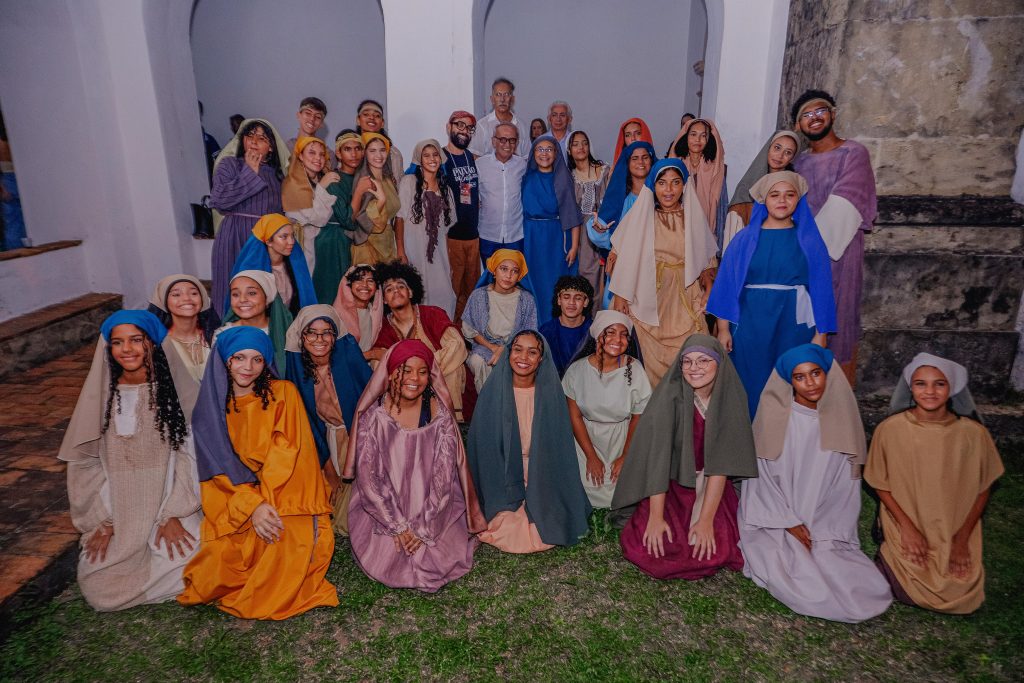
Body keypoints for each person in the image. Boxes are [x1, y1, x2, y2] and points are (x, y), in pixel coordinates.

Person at [179, 326, 337, 619]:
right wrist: (252, 506)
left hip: (285, 491)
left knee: (281, 543)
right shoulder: (209, 411)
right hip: (236, 496)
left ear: (266, 363)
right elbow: (217, 471)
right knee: (215, 568)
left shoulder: (284, 393)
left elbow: (289, 453)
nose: (247, 367)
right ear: (224, 360)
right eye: (238, 358)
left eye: (257, 359)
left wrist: (265, 505)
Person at [739, 344, 893, 623]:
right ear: (789, 381)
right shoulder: (775, 418)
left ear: (827, 375)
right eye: (800, 377)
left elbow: (844, 485)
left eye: (815, 373)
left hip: (823, 517)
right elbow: (760, 479)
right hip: (777, 516)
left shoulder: (841, 421)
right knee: (794, 572)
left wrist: (824, 526)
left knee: (839, 567)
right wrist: (788, 522)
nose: (810, 383)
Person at [59, 310, 200, 611]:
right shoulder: (104, 397)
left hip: (168, 502)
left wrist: (174, 513)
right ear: (108, 348)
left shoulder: (175, 393)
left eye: (136, 340)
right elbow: (85, 466)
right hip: (120, 507)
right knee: (96, 582)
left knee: (193, 558)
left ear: (153, 343)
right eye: (118, 342)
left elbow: (191, 457)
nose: (127, 349)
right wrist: (103, 520)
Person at [865, 353, 1004, 614]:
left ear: (952, 388)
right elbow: (879, 482)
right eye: (921, 384)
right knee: (905, 576)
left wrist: (961, 540)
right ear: (911, 388)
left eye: (939, 384)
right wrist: (907, 529)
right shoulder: (890, 429)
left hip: (953, 524)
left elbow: (983, 487)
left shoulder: (973, 434)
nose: (930, 391)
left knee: (960, 587)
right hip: (907, 518)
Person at [613, 336, 757, 580]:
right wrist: (656, 517)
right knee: (652, 548)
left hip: (712, 485)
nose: (694, 368)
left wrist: (706, 520)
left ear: (719, 363)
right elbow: (658, 460)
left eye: (703, 360)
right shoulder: (669, 397)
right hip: (671, 484)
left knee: (714, 546)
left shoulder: (730, 399)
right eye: (687, 361)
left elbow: (721, 465)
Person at [347, 340, 485, 592]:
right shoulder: (374, 417)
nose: (414, 378)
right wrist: (397, 526)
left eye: (422, 372)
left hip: (431, 505)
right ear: (391, 373)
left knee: (433, 555)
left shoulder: (439, 416)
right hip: (386, 505)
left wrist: (424, 527)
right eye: (406, 370)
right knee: (391, 558)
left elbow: (443, 477)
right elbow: (370, 478)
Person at [708, 171, 836, 417]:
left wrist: (821, 334)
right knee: (751, 380)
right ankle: (750, 435)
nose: (782, 200)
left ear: (798, 200)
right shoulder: (745, 239)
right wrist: (723, 329)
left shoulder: (809, 240)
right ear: (763, 200)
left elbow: (822, 290)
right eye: (774, 195)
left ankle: (787, 437)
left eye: (789, 195)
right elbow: (727, 285)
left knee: (791, 379)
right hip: (750, 323)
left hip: (794, 325)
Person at [468, 330, 592, 552]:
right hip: (503, 472)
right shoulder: (493, 391)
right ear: (508, 353)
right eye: (517, 350)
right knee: (505, 523)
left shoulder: (550, 394)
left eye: (532, 352)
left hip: (540, 469)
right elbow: (483, 447)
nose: (523, 357)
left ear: (541, 358)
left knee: (549, 519)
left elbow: (558, 445)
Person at [792, 89, 878, 386]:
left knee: (839, 319)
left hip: (839, 252)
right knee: (804, 322)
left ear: (833, 114)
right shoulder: (799, 164)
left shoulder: (853, 153)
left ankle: (838, 398)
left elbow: (848, 199)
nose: (814, 118)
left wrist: (808, 250)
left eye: (820, 111)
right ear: (798, 125)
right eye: (807, 114)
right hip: (801, 255)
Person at [608, 159, 717, 386]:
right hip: (647, 295)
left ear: (684, 186)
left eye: (675, 182)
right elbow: (621, 258)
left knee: (694, 354)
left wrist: (708, 291)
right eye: (662, 183)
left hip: (685, 295)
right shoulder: (641, 217)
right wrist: (620, 295)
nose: (668, 190)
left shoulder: (693, 219)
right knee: (645, 366)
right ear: (653, 186)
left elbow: (707, 264)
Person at [284, 305, 370, 535]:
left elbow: (372, 404)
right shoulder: (299, 375)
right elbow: (307, 425)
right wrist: (329, 471)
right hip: (324, 446)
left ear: (335, 336)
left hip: (359, 438)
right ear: (302, 337)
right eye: (311, 333)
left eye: (326, 333)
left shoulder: (348, 361)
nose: (319, 339)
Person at [563, 310, 651, 508]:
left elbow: (638, 417)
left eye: (623, 335)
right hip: (586, 441)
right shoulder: (577, 370)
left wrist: (625, 456)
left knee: (624, 491)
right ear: (597, 335)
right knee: (583, 489)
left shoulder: (635, 369)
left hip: (622, 439)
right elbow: (574, 416)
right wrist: (591, 456)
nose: (617, 340)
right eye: (610, 332)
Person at [371, 261, 475, 422]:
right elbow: (379, 363)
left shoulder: (432, 314)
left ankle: (453, 422)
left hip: (443, 376)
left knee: (455, 368)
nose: (396, 291)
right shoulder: (382, 328)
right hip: (406, 385)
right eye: (389, 289)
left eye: (401, 286)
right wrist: (410, 374)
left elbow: (456, 345)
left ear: (411, 292)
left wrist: (424, 370)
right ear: (383, 299)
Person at [209, 118, 288, 317]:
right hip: (234, 235)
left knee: (264, 292)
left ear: (271, 147)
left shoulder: (278, 176)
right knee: (231, 288)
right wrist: (250, 172)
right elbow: (219, 201)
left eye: (262, 138)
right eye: (250, 135)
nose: (254, 141)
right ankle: (227, 331)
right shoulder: (229, 165)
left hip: (264, 242)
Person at [521, 135, 583, 326]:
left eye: (549, 149)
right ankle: (535, 328)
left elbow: (572, 215)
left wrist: (574, 247)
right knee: (534, 284)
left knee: (555, 284)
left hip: (556, 238)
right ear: (533, 153)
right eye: (540, 149)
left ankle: (556, 327)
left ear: (556, 153)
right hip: (532, 237)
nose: (544, 153)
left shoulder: (563, 178)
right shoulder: (526, 178)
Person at [396, 139, 458, 318]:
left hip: (439, 255)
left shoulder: (446, 190)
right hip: (413, 250)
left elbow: (446, 231)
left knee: (445, 296)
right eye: (426, 155)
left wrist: (449, 262)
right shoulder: (409, 182)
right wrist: (401, 251)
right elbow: (399, 219)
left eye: (435, 154)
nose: (432, 159)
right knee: (418, 296)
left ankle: (441, 331)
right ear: (419, 159)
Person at [462, 249, 537, 391]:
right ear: (494, 271)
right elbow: (470, 329)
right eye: (503, 269)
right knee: (477, 361)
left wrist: (507, 348)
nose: (508, 275)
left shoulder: (527, 299)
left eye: (514, 271)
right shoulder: (478, 296)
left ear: (519, 276)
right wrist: (494, 348)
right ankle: (487, 401)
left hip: (517, 349)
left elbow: (529, 332)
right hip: (486, 347)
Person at [147, 274, 220, 419]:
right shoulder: (157, 344)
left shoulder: (217, 337)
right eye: (176, 294)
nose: (186, 298)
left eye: (193, 293)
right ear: (163, 301)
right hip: (178, 419)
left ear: (203, 299)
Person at [227, 213, 316, 318]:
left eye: (292, 236)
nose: (291, 241)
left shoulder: (295, 267)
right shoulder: (252, 272)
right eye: (284, 237)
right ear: (268, 241)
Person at [724, 130, 800, 245]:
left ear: (792, 158)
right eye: (777, 148)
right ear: (768, 148)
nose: (780, 156)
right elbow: (733, 239)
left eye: (788, 152)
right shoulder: (745, 188)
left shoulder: (794, 189)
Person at [442, 111, 481, 324]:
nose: (464, 131)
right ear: (449, 127)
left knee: (472, 291)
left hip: (473, 236)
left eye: (469, 128)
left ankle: (468, 334)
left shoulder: (472, 158)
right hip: (451, 237)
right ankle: (451, 332)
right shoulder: (439, 158)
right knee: (453, 291)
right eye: (460, 125)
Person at [282, 137, 339, 280]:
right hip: (299, 243)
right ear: (301, 156)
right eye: (312, 153)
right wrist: (322, 187)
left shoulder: (320, 179)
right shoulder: (292, 182)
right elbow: (318, 219)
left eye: (322, 154)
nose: (318, 158)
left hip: (319, 244)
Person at [216, 270, 293, 374]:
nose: (242, 299)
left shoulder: (286, 331)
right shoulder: (222, 334)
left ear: (267, 298)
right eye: (235, 294)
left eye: (252, 293)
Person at [669, 118, 728, 250]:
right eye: (693, 134)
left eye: (703, 135)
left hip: (705, 235)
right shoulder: (675, 165)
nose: (698, 139)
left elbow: (721, 209)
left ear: (709, 139)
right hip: (676, 233)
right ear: (686, 137)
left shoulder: (715, 170)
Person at [320, 129, 365, 301]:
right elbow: (347, 220)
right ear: (338, 153)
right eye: (347, 149)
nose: (354, 154)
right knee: (336, 294)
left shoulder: (362, 177)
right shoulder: (334, 179)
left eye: (357, 148)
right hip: (334, 242)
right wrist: (359, 191)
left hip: (357, 243)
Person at [476, 123, 528, 262]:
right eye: (503, 139)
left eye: (512, 140)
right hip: (488, 235)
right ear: (494, 141)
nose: (507, 144)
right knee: (489, 274)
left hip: (515, 236)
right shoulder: (480, 165)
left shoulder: (523, 165)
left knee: (514, 273)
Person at [568, 130, 609, 296]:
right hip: (580, 232)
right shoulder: (569, 177)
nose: (581, 147)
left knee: (606, 273)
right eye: (575, 144)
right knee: (586, 274)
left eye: (584, 143)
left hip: (604, 227)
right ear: (569, 150)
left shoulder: (604, 170)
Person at [350, 132, 400, 265]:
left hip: (387, 243)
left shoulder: (388, 179)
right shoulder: (364, 181)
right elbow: (363, 219)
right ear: (364, 154)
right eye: (372, 151)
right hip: (368, 247)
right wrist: (381, 200)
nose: (379, 155)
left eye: (382, 150)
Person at [538, 275, 594, 377]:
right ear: (559, 300)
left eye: (578, 298)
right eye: (566, 297)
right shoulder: (546, 331)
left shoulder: (594, 331)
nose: (571, 303)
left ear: (585, 302)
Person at [333, 263, 384, 360]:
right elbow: (337, 356)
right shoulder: (337, 315)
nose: (364, 285)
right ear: (349, 285)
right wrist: (372, 354)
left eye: (370, 281)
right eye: (358, 280)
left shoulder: (375, 315)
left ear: (376, 287)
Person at [470, 77, 531, 158]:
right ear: (492, 99)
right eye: (498, 95)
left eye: (506, 94)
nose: (502, 99)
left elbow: (526, 157)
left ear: (512, 99)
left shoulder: (521, 126)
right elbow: (475, 156)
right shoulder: (482, 126)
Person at [354, 99, 404, 177]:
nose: (371, 117)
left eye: (377, 115)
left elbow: (398, 181)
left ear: (382, 123)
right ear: (358, 120)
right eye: (366, 114)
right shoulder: (350, 148)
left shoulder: (393, 153)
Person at [285, 97, 329, 162]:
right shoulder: (286, 148)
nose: (312, 119)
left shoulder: (327, 154)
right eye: (308, 113)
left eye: (318, 117)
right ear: (298, 115)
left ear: (321, 123)